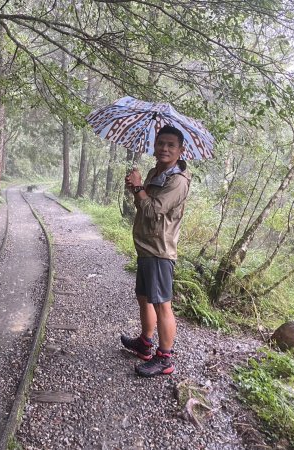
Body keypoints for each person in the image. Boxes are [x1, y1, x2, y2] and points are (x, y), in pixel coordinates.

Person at [122, 125, 191, 377]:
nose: (164, 148)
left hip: (161, 250)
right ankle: (145, 343)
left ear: (181, 151)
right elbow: (143, 207)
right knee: (144, 297)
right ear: (154, 146)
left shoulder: (178, 181)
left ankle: (165, 358)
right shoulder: (155, 172)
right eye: (161, 143)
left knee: (162, 304)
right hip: (145, 246)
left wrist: (140, 188)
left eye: (171, 145)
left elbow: (153, 211)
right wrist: (136, 189)